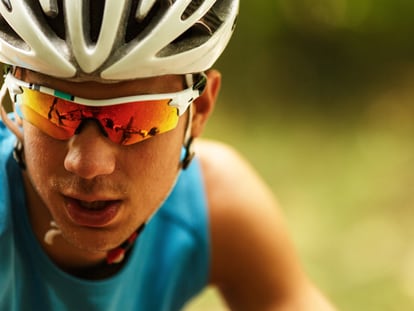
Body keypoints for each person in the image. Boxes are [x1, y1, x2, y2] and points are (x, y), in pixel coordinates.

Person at [0, 1, 336, 310]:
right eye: (50, 107)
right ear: (14, 98)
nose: (87, 164)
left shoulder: (216, 206)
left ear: (200, 111)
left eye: (137, 120)